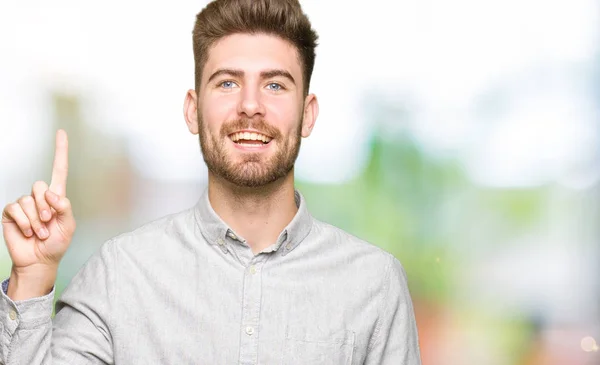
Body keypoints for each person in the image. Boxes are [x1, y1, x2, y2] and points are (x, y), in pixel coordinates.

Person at [0, 0, 421, 364]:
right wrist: (32, 279)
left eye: (274, 84)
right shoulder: (119, 274)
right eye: (228, 83)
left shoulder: (374, 284)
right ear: (192, 110)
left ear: (307, 114)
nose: (251, 106)